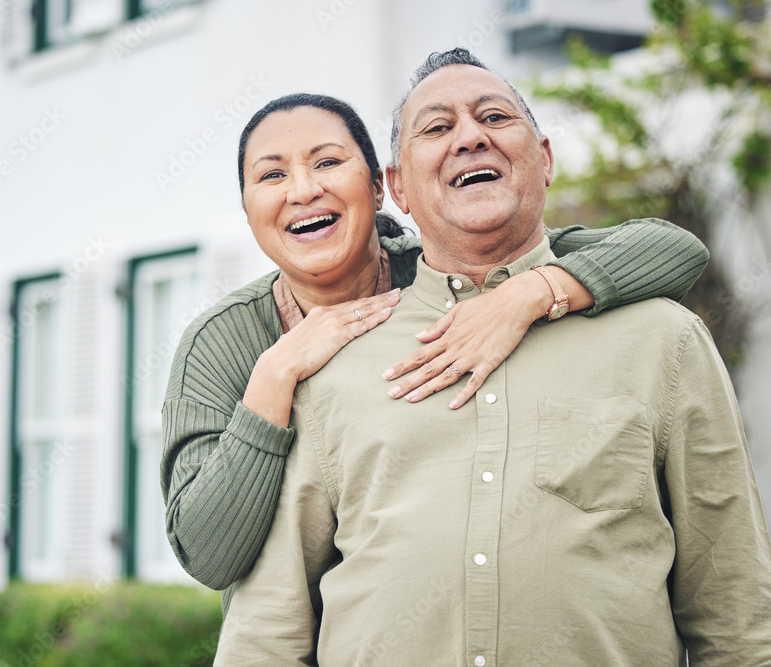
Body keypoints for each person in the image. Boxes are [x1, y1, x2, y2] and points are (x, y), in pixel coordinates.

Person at [213, 49, 771, 665]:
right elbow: (266, 630)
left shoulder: (665, 341)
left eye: (496, 117)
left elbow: (737, 613)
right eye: (437, 128)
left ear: (546, 159)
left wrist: (535, 293)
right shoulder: (329, 361)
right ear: (396, 186)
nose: (471, 138)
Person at [161, 91, 709, 604]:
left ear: (381, 188)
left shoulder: (443, 269)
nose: (302, 190)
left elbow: (673, 249)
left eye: (327, 163)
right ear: (247, 206)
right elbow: (208, 555)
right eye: (272, 175)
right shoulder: (221, 342)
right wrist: (275, 376)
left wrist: (523, 295)